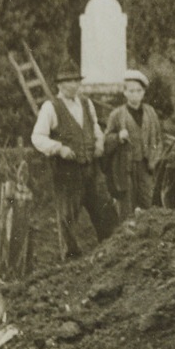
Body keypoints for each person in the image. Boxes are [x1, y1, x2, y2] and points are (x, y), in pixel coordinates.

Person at [30, 66, 116, 259]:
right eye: (70, 81)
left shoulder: (86, 103)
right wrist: (59, 148)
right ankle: (71, 259)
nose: (75, 85)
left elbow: (94, 126)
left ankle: (111, 253)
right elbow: (37, 137)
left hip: (91, 167)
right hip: (66, 172)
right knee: (67, 217)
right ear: (60, 84)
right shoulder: (51, 107)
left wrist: (99, 141)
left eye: (77, 81)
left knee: (104, 209)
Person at [104, 68, 163, 220]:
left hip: (146, 168)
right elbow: (106, 141)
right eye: (131, 91)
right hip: (125, 169)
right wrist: (118, 137)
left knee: (149, 205)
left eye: (138, 91)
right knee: (126, 209)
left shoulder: (151, 113)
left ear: (143, 93)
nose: (135, 94)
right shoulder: (117, 115)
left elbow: (158, 140)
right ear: (125, 93)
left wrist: (153, 161)